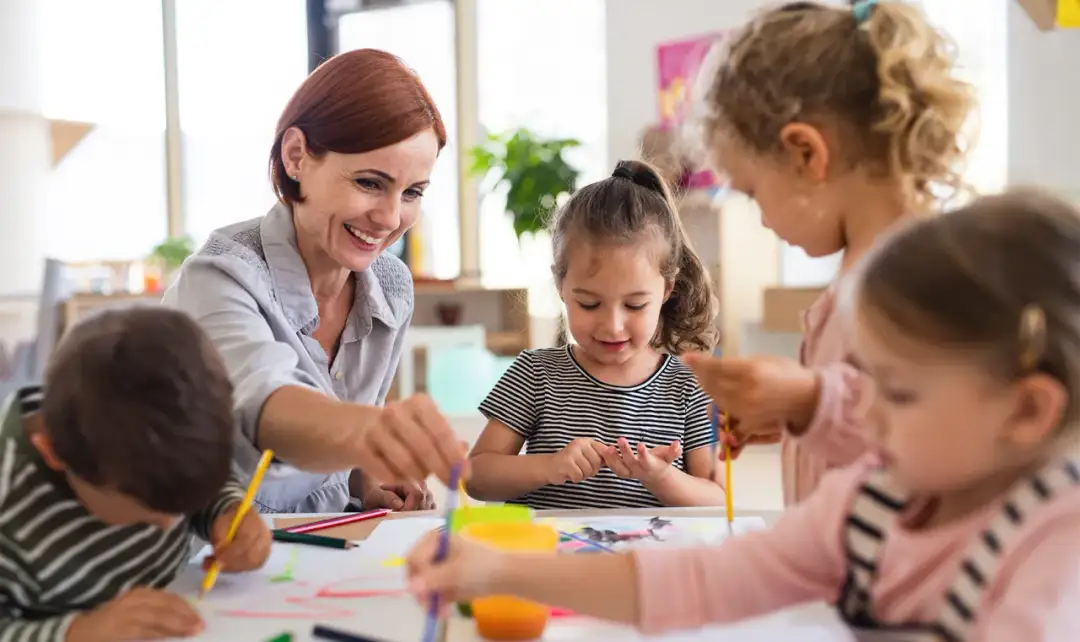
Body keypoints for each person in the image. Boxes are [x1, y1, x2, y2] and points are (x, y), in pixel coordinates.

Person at [406, 189, 1080, 641]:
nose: (861, 415)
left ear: (1026, 410)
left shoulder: (1058, 549)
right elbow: (706, 580)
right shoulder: (868, 499)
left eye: (898, 393)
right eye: (860, 381)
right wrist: (498, 573)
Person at [681, 0, 977, 504]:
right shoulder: (862, 272)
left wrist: (810, 400)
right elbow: (868, 428)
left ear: (806, 154)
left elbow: (943, 436)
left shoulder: (926, 278)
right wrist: (798, 421)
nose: (762, 219)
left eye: (752, 192)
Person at [164, 49, 466, 514]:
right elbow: (266, 408)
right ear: (296, 157)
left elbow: (344, 449)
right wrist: (374, 433)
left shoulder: (391, 287)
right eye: (369, 183)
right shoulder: (219, 278)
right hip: (215, 543)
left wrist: (369, 482)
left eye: (411, 192)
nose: (390, 218)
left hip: (320, 543)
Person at [0, 308, 272, 642]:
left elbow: (189, 476)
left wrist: (227, 511)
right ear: (53, 454)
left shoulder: (167, 443)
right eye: (144, 513)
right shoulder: (9, 507)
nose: (171, 524)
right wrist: (80, 632)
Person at [465, 160, 724, 509]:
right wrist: (548, 466)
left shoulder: (689, 385)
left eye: (634, 305)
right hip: (551, 545)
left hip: (649, 546)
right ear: (561, 285)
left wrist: (660, 477)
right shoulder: (535, 373)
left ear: (666, 289)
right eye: (589, 304)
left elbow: (717, 498)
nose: (612, 325)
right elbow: (475, 477)